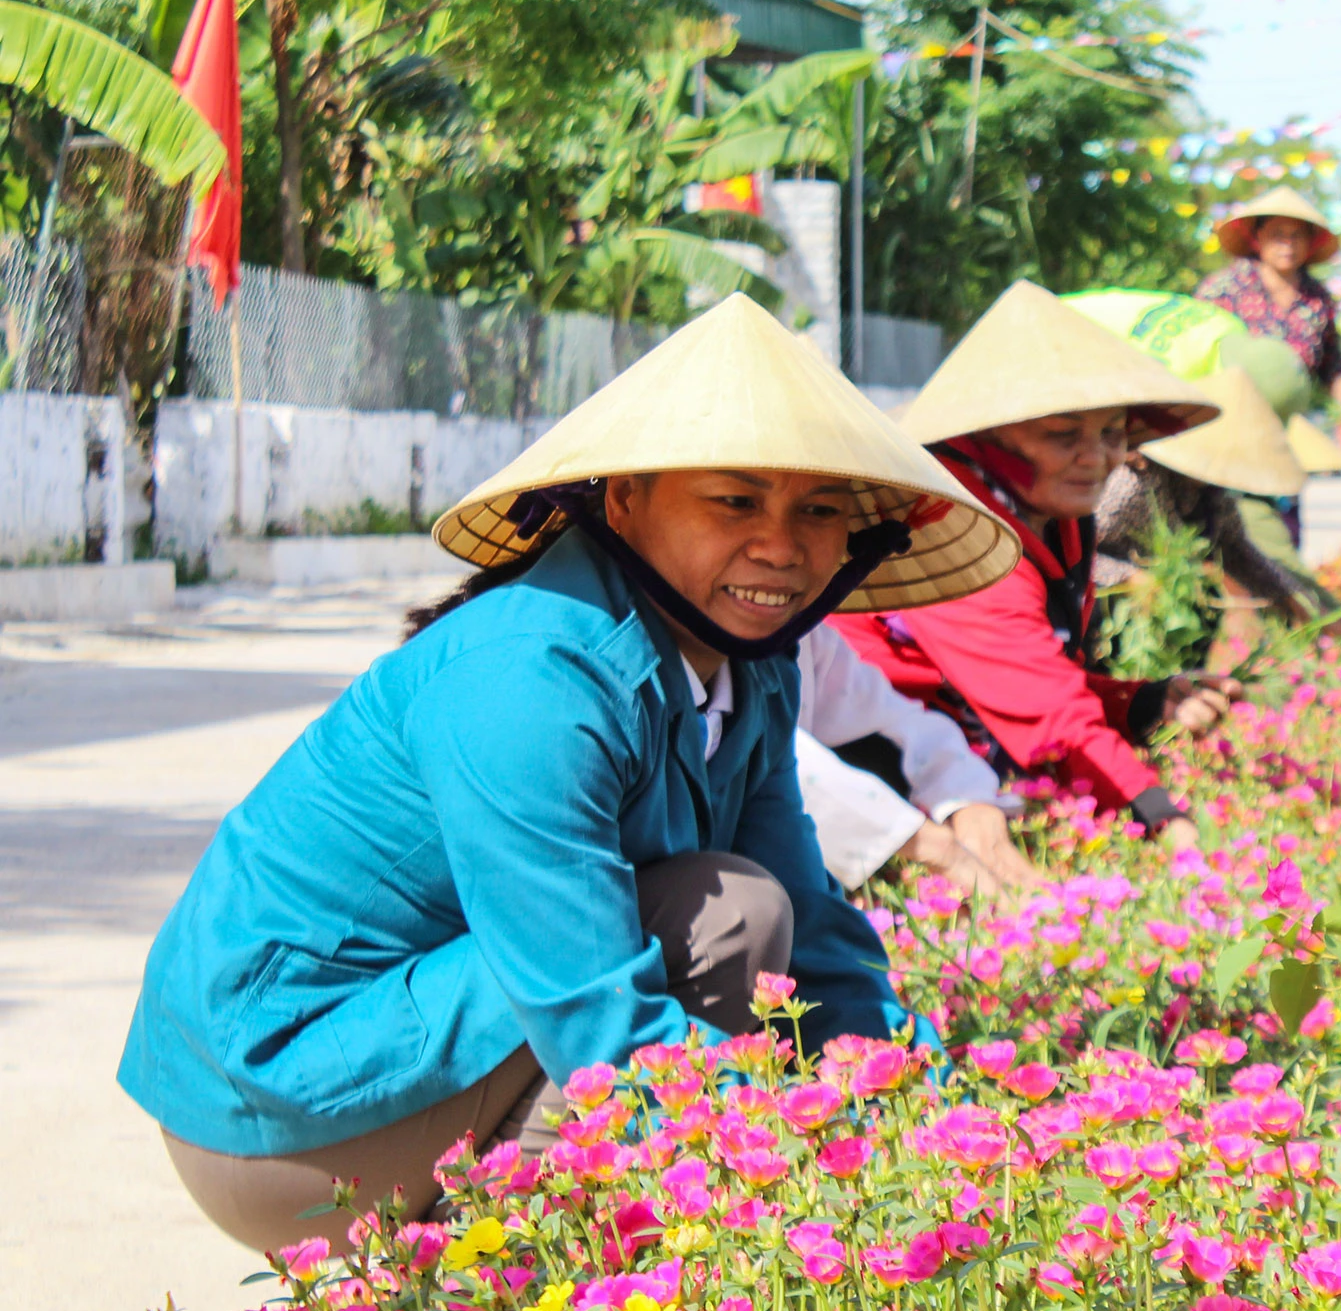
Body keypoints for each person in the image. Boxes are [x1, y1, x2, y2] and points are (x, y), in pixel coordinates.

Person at [118, 296, 1018, 1251]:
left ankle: (631, 1227)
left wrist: (931, 1101)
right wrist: (806, 1151)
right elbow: (596, 1019)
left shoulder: (755, 670)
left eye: (821, 509)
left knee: (747, 907)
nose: (781, 546)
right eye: (735, 499)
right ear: (623, 503)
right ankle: (516, 1280)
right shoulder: (531, 680)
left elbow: (816, 927)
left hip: (435, 1040)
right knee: (715, 928)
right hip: (285, 1129)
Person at [836, 280, 1236, 852]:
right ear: (986, 434)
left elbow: (1041, 678)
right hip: (866, 757)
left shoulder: (1054, 514)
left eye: (1112, 434)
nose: (1097, 459)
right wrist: (1166, 823)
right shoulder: (944, 518)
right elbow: (1045, 712)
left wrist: (1143, 701)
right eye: (1062, 434)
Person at [792, 623, 1049, 898]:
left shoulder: (808, 631)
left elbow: (891, 717)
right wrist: (937, 849)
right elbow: (776, 756)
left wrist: (969, 801)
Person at [1094, 364, 1331, 648]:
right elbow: (1074, 547)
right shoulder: (1135, 482)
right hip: (1110, 620)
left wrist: (1293, 597)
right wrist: (1130, 577)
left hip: (1172, 622)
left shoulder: (1215, 494)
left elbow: (1239, 552)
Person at [1194, 185, 1341, 440]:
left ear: (1310, 242)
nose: (1288, 244)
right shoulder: (1222, 290)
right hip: (1224, 425)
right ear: (1257, 237)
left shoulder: (1317, 300)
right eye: (1278, 235)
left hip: (1286, 430)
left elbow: (1331, 363)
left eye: (1297, 236)